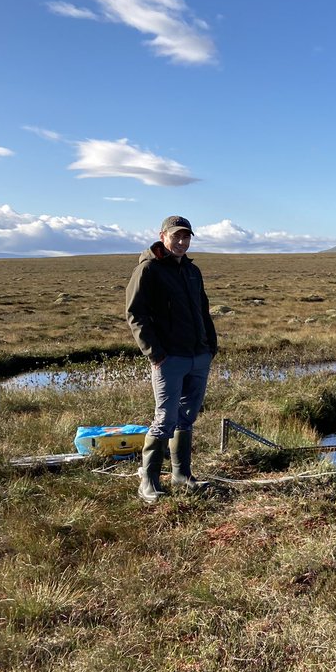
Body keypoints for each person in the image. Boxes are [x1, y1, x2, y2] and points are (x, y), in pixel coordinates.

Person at [125, 215, 218, 502]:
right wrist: (155, 354)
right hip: (170, 359)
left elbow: (203, 310)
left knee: (186, 418)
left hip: (198, 356)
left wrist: (210, 346)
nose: (181, 242)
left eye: (186, 237)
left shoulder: (192, 271)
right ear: (162, 236)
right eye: (176, 236)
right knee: (164, 419)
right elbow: (135, 314)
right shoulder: (149, 269)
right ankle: (148, 482)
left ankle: (182, 475)